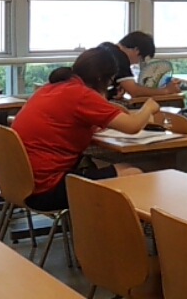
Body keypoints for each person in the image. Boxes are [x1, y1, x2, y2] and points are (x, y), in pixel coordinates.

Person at [12, 47, 159, 211]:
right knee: (133, 173)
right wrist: (149, 107)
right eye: (110, 82)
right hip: (46, 189)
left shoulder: (53, 87)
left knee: (122, 167)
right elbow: (132, 126)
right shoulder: (81, 95)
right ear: (101, 79)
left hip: (20, 183)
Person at [99, 31, 180, 99]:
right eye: (141, 59)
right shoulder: (120, 58)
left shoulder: (106, 46)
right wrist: (166, 90)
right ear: (137, 50)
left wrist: (111, 93)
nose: (136, 63)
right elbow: (135, 92)